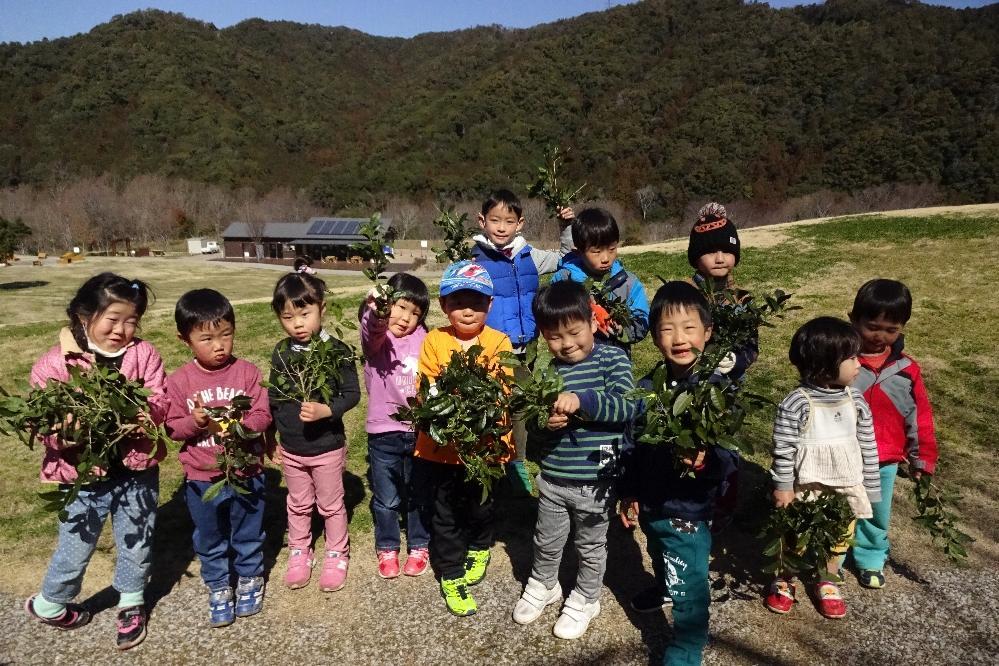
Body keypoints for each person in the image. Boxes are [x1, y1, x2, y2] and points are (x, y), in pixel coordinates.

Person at [23, 273, 167, 651]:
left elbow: (159, 398)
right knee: (76, 546)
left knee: (137, 539)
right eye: (113, 319)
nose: (122, 330)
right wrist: (64, 433)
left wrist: (146, 415)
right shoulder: (54, 364)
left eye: (131, 320)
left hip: (135, 470)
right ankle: (50, 602)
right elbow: (42, 425)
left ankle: (132, 602)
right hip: (81, 477)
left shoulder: (143, 354)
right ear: (84, 315)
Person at [618, 281, 739, 666]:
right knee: (657, 549)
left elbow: (727, 457)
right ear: (654, 337)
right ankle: (663, 584)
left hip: (688, 509)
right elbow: (632, 445)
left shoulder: (714, 393)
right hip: (654, 500)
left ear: (708, 332)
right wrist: (628, 491)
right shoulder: (648, 388)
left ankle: (686, 650)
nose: (679, 338)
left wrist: (706, 461)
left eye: (689, 328)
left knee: (690, 585)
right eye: (668, 329)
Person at [511, 281, 635, 639]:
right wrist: (544, 423)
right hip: (553, 478)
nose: (566, 343)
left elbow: (626, 406)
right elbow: (534, 426)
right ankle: (544, 583)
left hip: (597, 480)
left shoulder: (613, 359)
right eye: (553, 336)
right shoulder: (548, 371)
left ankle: (586, 597)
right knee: (546, 540)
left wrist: (583, 401)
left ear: (592, 323)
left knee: (591, 544)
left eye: (574, 332)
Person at [164, 289, 272, 627]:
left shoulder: (247, 373)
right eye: (207, 338)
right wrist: (193, 423)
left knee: (248, 529)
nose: (219, 345)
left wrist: (241, 426)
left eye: (226, 334)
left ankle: (250, 577)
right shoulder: (180, 382)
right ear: (185, 340)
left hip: (246, 470)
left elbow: (262, 415)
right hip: (202, 476)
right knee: (208, 535)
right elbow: (172, 428)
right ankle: (219, 585)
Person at [412, 260, 513, 616]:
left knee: (480, 506)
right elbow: (427, 390)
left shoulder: (499, 341)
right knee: (445, 514)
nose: (466, 310)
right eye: (457, 303)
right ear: (444, 306)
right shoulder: (434, 340)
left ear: (489, 305)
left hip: (483, 451)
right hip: (441, 450)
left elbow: (504, 392)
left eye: (475, 302)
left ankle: (481, 545)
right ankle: (451, 574)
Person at [765, 316, 881, 619]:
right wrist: (784, 485)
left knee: (840, 537)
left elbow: (868, 444)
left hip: (845, 485)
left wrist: (870, 485)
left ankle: (827, 580)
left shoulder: (855, 400)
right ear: (825, 364)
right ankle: (786, 577)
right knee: (796, 536)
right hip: (807, 487)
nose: (860, 363)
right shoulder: (797, 403)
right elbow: (783, 448)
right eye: (852, 357)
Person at [470, 189, 574, 495]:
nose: (502, 227)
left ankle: (516, 461)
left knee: (521, 406)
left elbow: (564, 258)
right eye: (495, 220)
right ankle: (489, 459)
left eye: (509, 221)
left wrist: (565, 227)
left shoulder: (529, 256)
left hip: (525, 347)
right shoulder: (476, 261)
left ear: (521, 223)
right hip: (492, 348)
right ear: (482, 221)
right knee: (492, 404)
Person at [268, 272, 361, 592]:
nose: (297, 324)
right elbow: (274, 398)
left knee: (331, 504)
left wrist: (327, 410)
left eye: (305, 314)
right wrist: (271, 439)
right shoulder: (281, 353)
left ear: (322, 308)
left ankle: (337, 551)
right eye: (288, 317)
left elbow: (352, 393)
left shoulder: (336, 351)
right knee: (297, 503)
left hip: (326, 447)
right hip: (292, 448)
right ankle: (299, 550)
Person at [848, 279, 938, 589]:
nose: (880, 336)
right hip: (842, 454)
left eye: (891, 330)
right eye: (872, 326)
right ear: (853, 320)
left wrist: (922, 456)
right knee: (836, 506)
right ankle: (828, 554)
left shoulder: (906, 369)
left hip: (884, 459)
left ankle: (871, 557)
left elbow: (919, 416)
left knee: (875, 511)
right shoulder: (841, 364)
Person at [359, 272, 432, 579]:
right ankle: (387, 546)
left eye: (415, 313)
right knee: (387, 498)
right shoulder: (378, 340)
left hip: (417, 431)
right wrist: (376, 313)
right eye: (400, 308)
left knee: (418, 493)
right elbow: (371, 328)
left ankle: (419, 544)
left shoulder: (424, 339)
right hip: (383, 432)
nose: (405, 318)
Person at [551, 207, 649, 355]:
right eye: (596, 251)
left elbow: (642, 320)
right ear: (577, 251)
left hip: (616, 359)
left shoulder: (628, 283)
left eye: (611, 249)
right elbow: (551, 316)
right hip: (574, 360)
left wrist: (623, 329)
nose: (605, 258)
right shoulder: (564, 280)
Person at [686, 202, 758, 377]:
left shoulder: (743, 298)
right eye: (710, 252)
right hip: (689, 379)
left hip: (730, 385)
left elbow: (752, 347)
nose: (720, 258)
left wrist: (736, 360)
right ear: (696, 258)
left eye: (726, 251)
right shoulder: (685, 294)